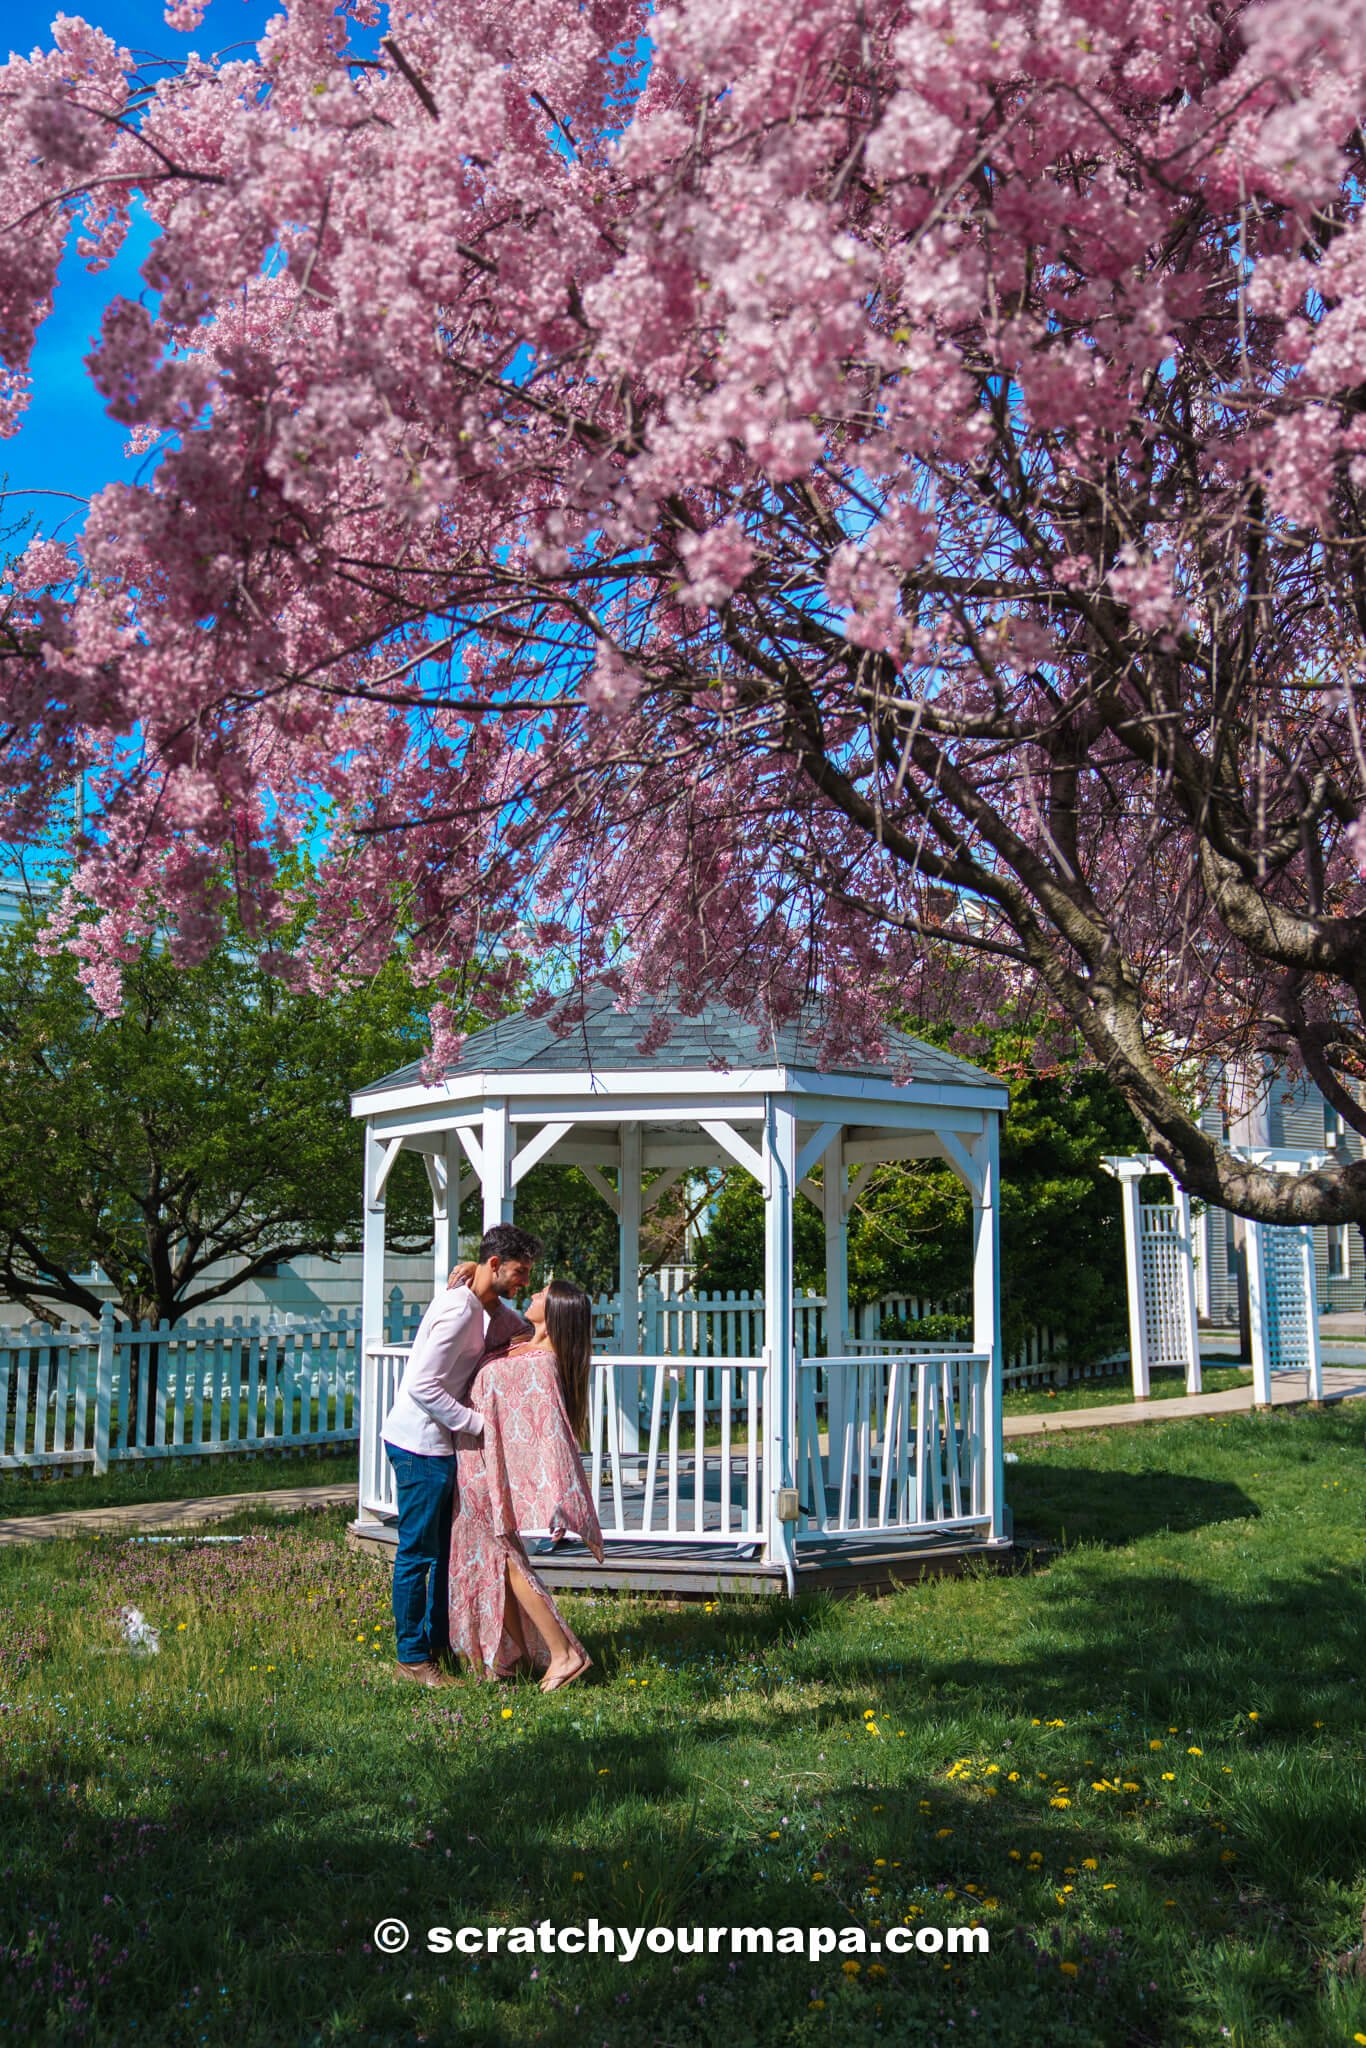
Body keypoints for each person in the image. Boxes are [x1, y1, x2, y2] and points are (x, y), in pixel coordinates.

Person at [381, 1223, 543, 1688]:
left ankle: (436, 1647)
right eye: (519, 1271)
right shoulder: (458, 1311)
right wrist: (479, 1426)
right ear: (496, 1263)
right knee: (418, 1555)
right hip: (419, 1446)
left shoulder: (478, 1303)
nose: (524, 1282)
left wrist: (483, 1282)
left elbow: (520, 1328)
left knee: (440, 1553)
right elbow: (422, 1385)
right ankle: (413, 1660)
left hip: (436, 1445)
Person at [448, 1276, 603, 1693]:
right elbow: (495, 1309)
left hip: (487, 1475)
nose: (532, 1295)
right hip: (475, 1470)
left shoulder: (538, 1366)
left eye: (541, 1296)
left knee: (509, 1565)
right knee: (497, 1567)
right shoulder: (523, 1343)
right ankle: (514, 1656)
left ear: (552, 1318)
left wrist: (554, 1493)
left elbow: (545, 1435)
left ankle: (564, 1653)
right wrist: (475, 1273)